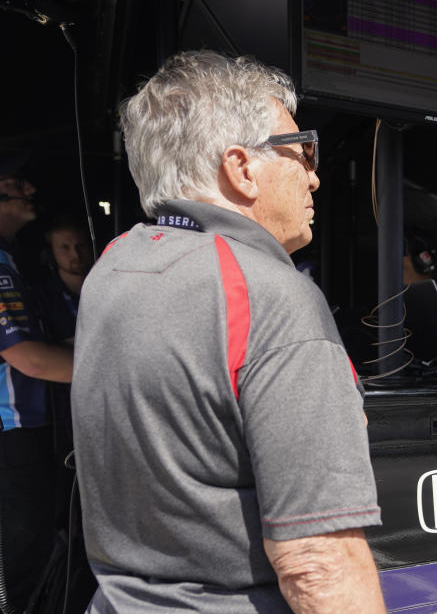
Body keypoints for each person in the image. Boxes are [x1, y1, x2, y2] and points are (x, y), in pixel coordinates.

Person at [71, 51, 384, 613]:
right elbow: (317, 561)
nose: (315, 174)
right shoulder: (274, 296)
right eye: (300, 152)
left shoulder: (112, 269)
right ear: (241, 169)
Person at [0, 170, 75, 612]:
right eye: (16, 181)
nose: (31, 188)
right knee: (20, 566)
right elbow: (28, 357)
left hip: (28, 431)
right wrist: (124, 371)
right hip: (14, 433)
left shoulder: (10, 261)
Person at [35, 218, 93, 342]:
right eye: (65, 248)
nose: (76, 254)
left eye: (80, 246)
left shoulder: (106, 286)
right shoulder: (42, 297)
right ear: (50, 254)